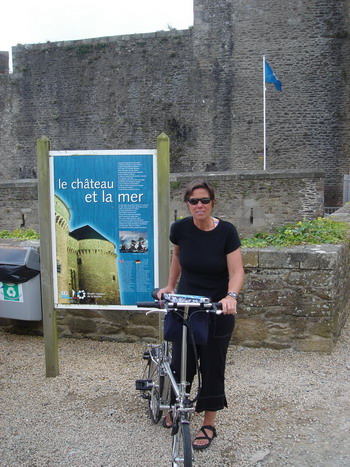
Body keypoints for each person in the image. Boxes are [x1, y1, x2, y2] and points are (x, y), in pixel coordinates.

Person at [157, 179, 244, 450]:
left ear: (212, 202)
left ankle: (208, 423)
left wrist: (231, 296)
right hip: (187, 305)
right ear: (187, 204)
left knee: (212, 365)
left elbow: (237, 271)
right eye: (194, 201)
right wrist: (170, 286)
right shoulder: (180, 229)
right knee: (181, 361)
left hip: (216, 308)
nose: (199, 205)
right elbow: (176, 257)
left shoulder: (226, 232)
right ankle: (175, 406)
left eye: (204, 200)